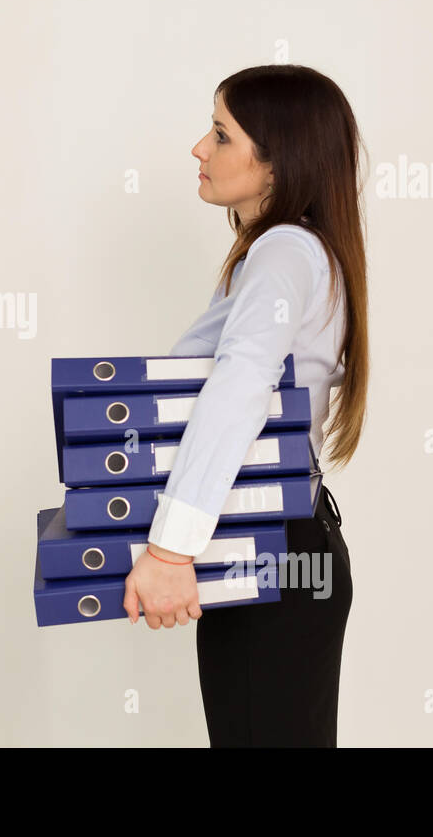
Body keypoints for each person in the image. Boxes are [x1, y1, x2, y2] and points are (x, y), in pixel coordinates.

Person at [122, 65, 369, 747]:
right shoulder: (288, 250)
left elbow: (241, 386)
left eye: (222, 134)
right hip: (283, 550)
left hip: (280, 555)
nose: (199, 148)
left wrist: (171, 551)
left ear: (275, 165)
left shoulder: (285, 250)